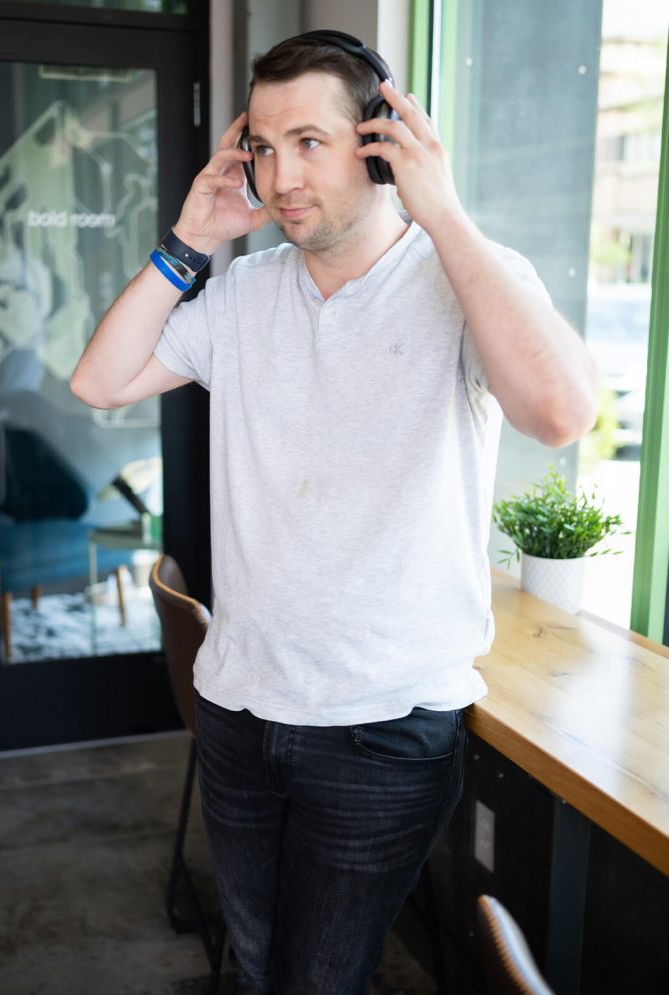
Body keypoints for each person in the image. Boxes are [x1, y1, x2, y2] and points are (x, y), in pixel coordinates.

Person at [71, 30, 597, 995]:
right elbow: (100, 382)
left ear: (381, 141)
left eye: (309, 141)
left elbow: (560, 413)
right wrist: (190, 238)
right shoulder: (239, 295)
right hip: (239, 707)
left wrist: (444, 216)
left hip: (381, 727)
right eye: (263, 147)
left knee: (318, 982)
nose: (280, 176)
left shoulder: (466, 279)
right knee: (261, 961)